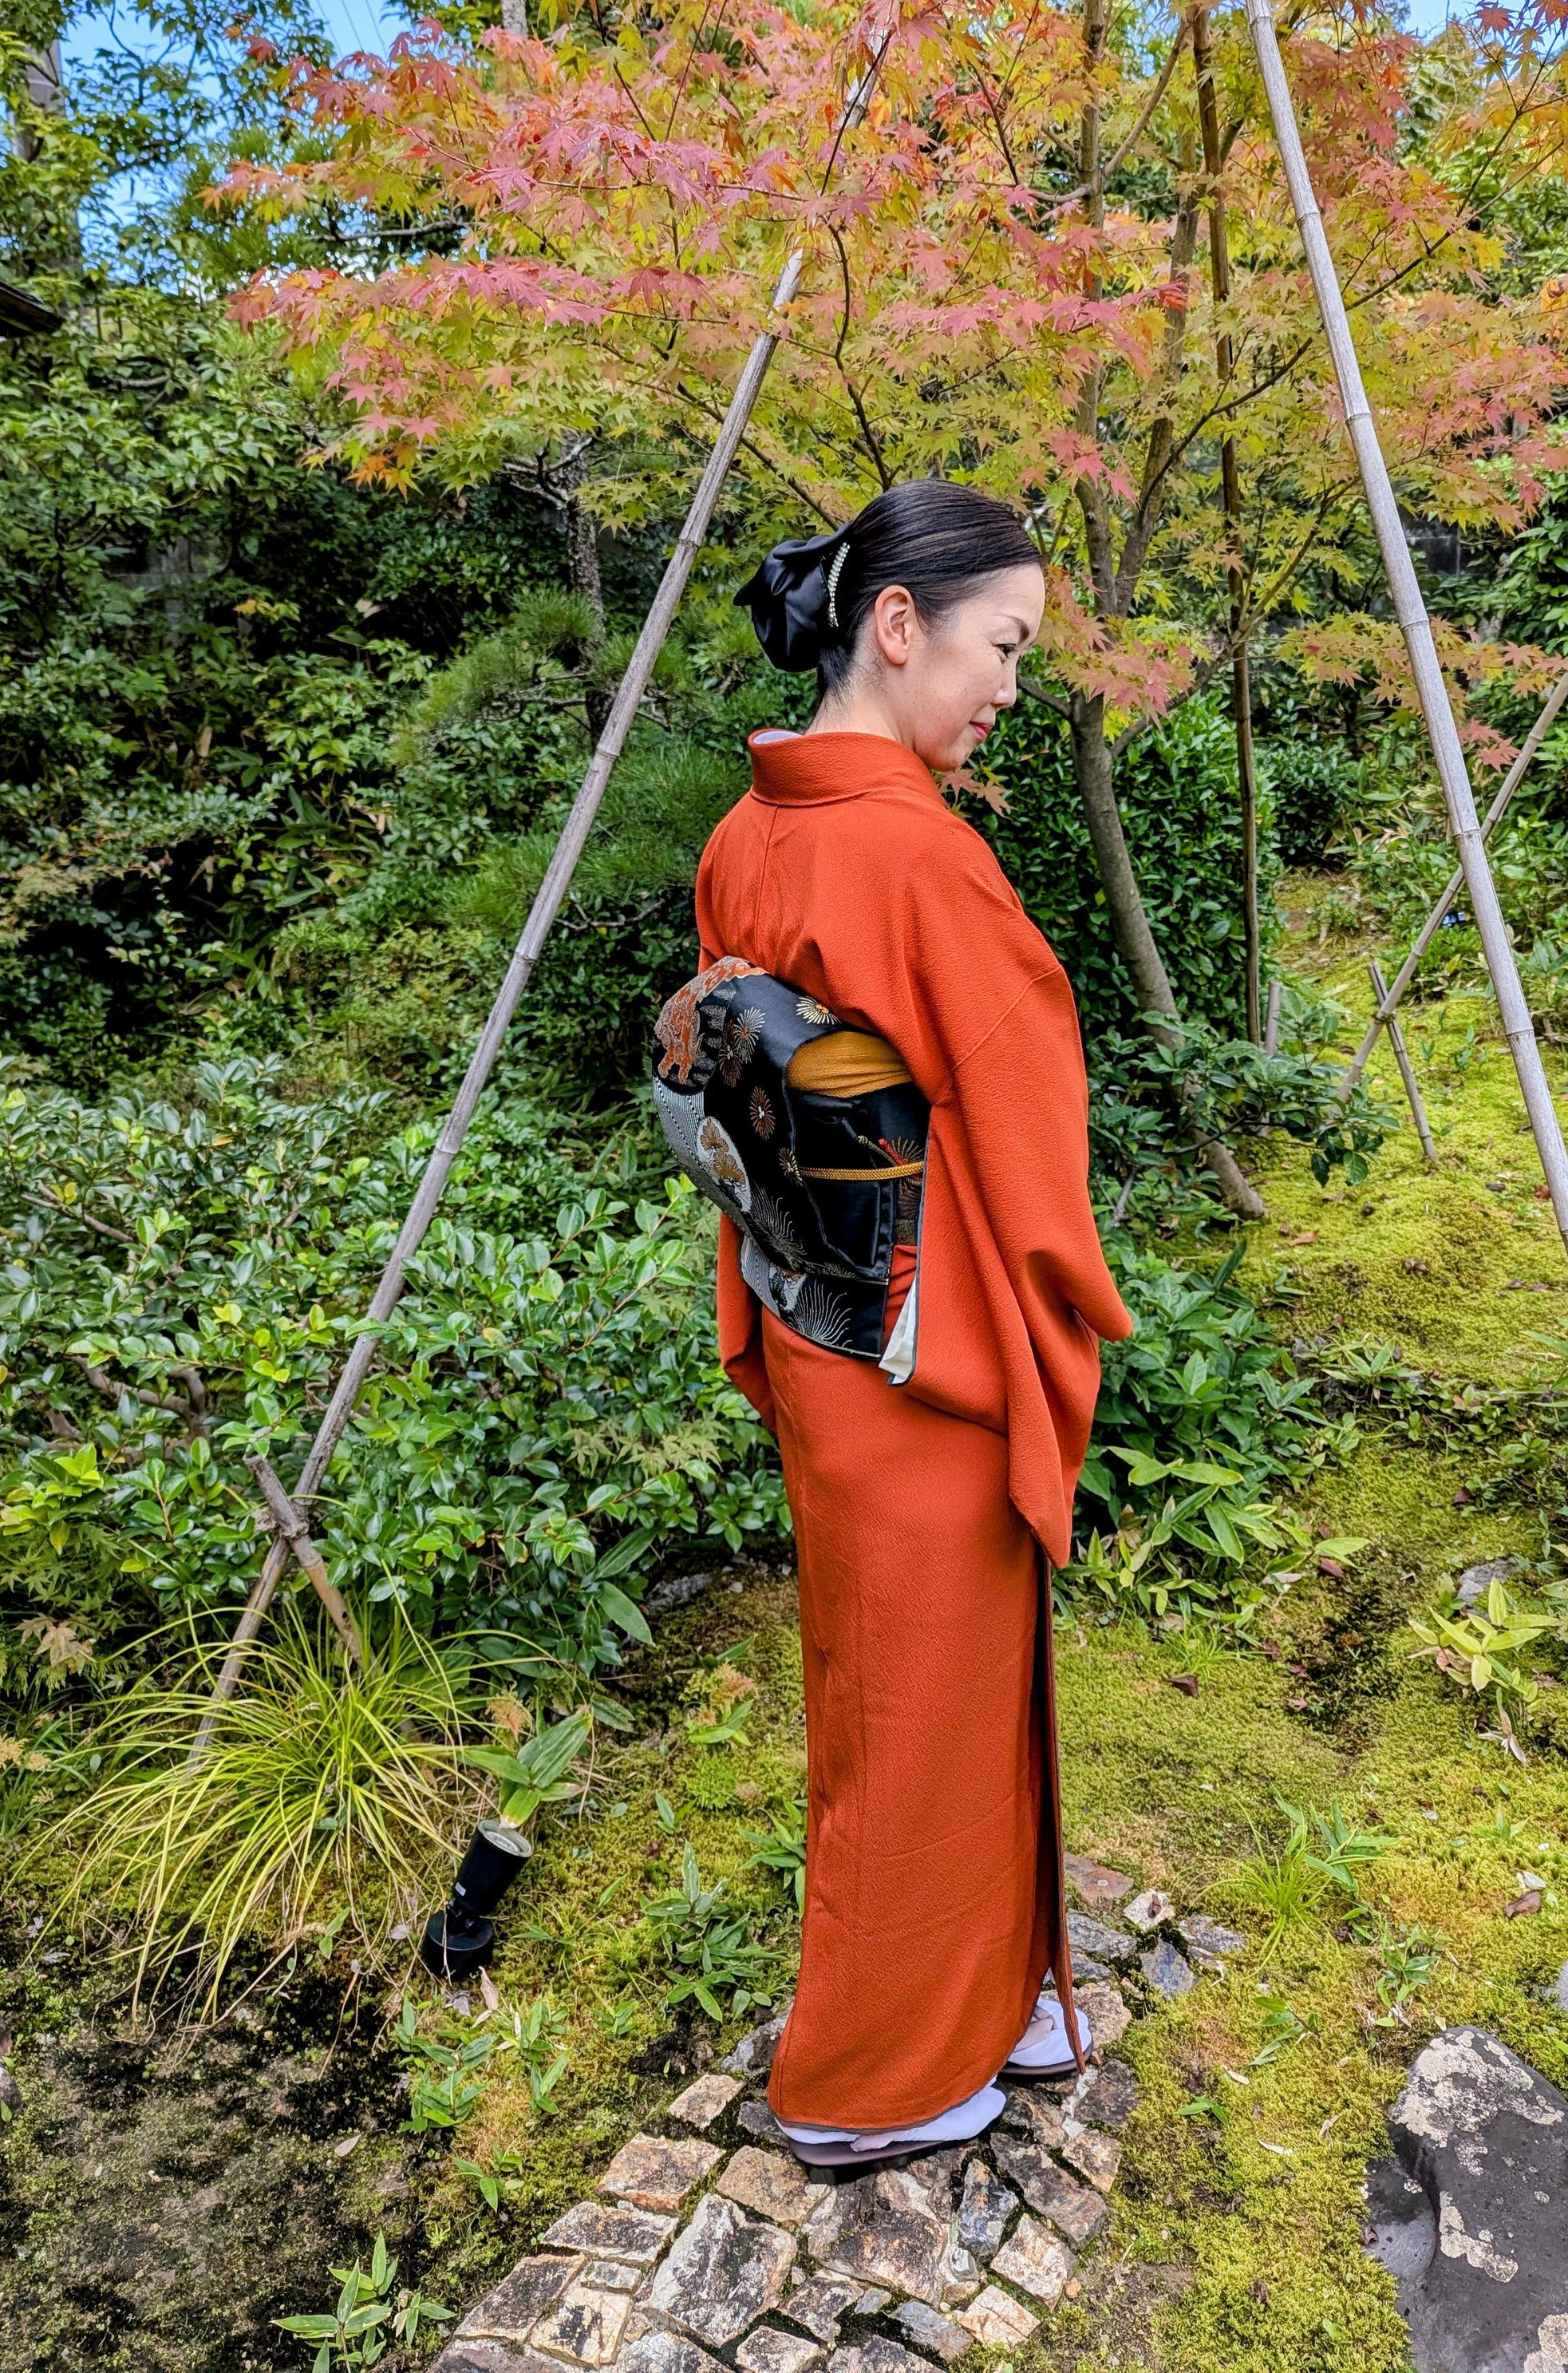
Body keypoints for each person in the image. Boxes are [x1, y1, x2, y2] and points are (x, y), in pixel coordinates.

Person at [685, 478, 1130, 2170]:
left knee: (916, 1689)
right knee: (917, 1706)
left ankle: (989, 1988)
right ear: (896, 626)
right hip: (923, 1347)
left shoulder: (751, 832)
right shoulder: (915, 855)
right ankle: (862, 2075)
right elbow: (1022, 1132)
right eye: (1000, 645)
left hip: (819, 1320)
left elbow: (727, 1091)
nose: (1010, 682)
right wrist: (1060, 1318)